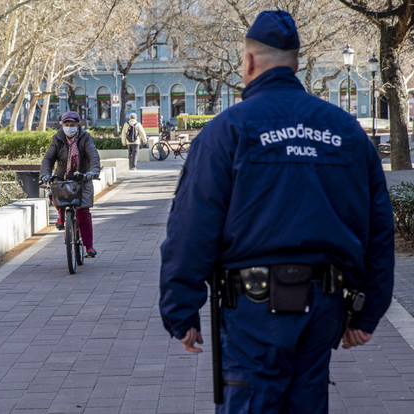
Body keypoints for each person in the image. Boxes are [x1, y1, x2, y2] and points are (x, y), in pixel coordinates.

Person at [159, 10, 394, 413]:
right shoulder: (346, 131)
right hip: (325, 305)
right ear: (297, 63)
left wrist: (180, 310)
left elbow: (192, 225)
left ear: (248, 62)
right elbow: (379, 226)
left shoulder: (227, 131)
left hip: (253, 312)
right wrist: (368, 310)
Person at [40, 110, 101, 258]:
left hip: (82, 177)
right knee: (55, 192)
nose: (69, 127)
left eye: (72, 124)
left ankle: (89, 246)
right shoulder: (57, 138)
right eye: (66, 124)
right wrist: (46, 175)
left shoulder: (85, 138)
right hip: (62, 177)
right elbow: (48, 159)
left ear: (78, 125)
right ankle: (61, 217)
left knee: (83, 213)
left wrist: (92, 173)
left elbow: (93, 157)